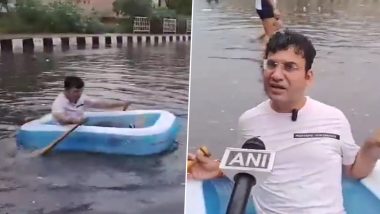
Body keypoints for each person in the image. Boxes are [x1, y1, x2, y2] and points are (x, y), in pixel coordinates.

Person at [187, 30, 380, 213]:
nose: (276, 75)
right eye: (271, 65)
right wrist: (217, 168)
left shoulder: (333, 118)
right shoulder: (250, 121)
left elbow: (353, 171)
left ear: (308, 77)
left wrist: (372, 146)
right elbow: (251, 167)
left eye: (289, 67)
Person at [52, 76, 131, 125]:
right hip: (65, 129)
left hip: (80, 126)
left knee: (110, 123)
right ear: (67, 90)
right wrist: (74, 120)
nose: (79, 94)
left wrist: (122, 103)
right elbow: (61, 117)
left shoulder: (81, 98)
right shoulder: (58, 103)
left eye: (81, 91)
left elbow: (102, 104)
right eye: (75, 91)